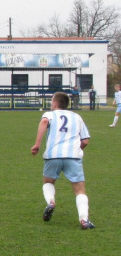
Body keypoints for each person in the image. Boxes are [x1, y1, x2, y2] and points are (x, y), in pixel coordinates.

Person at [31, 92, 94, 229]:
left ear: (54, 103)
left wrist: (37, 144)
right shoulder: (77, 116)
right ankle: (84, 220)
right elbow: (86, 140)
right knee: (79, 190)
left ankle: (51, 201)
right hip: (73, 156)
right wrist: (79, 149)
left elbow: (44, 121)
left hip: (53, 155)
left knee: (48, 182)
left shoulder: (50, 114)